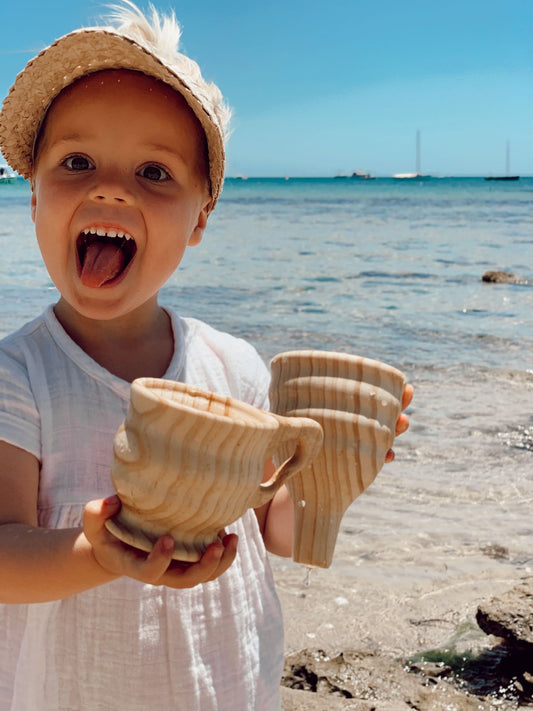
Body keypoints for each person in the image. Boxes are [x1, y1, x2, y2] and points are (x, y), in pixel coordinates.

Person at [0, 2, 413, 709]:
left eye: (155, 173)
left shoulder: (236, 369)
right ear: (33, 193)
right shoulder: (20, 376)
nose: (109, 186)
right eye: (76, 161)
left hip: (222, 686)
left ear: (199, 217)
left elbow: (275, 529)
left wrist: (338, 469)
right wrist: (98, 553)